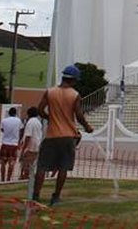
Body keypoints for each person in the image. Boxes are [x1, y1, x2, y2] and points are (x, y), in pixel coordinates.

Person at [34, 65, 95, 206]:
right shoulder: (74, 95)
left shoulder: (50, 92)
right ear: (73, 80)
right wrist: (87, 127)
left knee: (42, 167)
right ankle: (55, 197)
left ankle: (35, 196)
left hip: (51, 136)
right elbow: (79, 115)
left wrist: (49, 118)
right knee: (63, 167)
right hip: (68, 136)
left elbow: (40, 109)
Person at [0, 106, 24, 182]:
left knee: (3, 162)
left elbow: (2, 130)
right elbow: (21, 130)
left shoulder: (4, 121)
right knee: (12, 162)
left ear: (9, 113)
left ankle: (2, 179)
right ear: (15, 113)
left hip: (5, 143)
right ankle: (8, 179)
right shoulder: (18, 121)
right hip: (14, 144)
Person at [18, 107, 43, 181]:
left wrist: (24, 148)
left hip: (30, 146)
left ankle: (25, 177)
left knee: (26, 163)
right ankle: (26, 176)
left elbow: (28, 136)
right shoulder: (38, 122)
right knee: (31, 163)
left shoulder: (30, 122)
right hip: (37, 145)